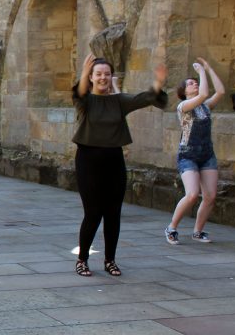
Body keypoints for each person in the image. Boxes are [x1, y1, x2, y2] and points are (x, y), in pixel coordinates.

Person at [72, 53, 167, 277]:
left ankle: (110, 260)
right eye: (98, 74)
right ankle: (82, 259)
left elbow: (146, 98)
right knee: (93, 212)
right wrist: (84, 72)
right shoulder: (85, 101)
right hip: (88, 160)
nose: (103, 77)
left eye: (107, 74)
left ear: (111, 76)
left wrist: (158, 82)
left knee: (113, 213)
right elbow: (79, 92)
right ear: (92, 77)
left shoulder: (119, 101)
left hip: (114, 160)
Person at [165, 57, 224, 245]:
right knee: (191, 194)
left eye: (196, 82)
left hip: (207, 154)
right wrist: (200, 72)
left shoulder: (205, 107)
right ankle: (171, 227)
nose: (195, 84)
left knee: (210, 196)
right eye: (191, 83)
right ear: (184, 91)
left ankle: (198, 232)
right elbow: (204, 94)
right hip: (188, 155)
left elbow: (221, 91)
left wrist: (208, 68)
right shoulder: (183, 106)